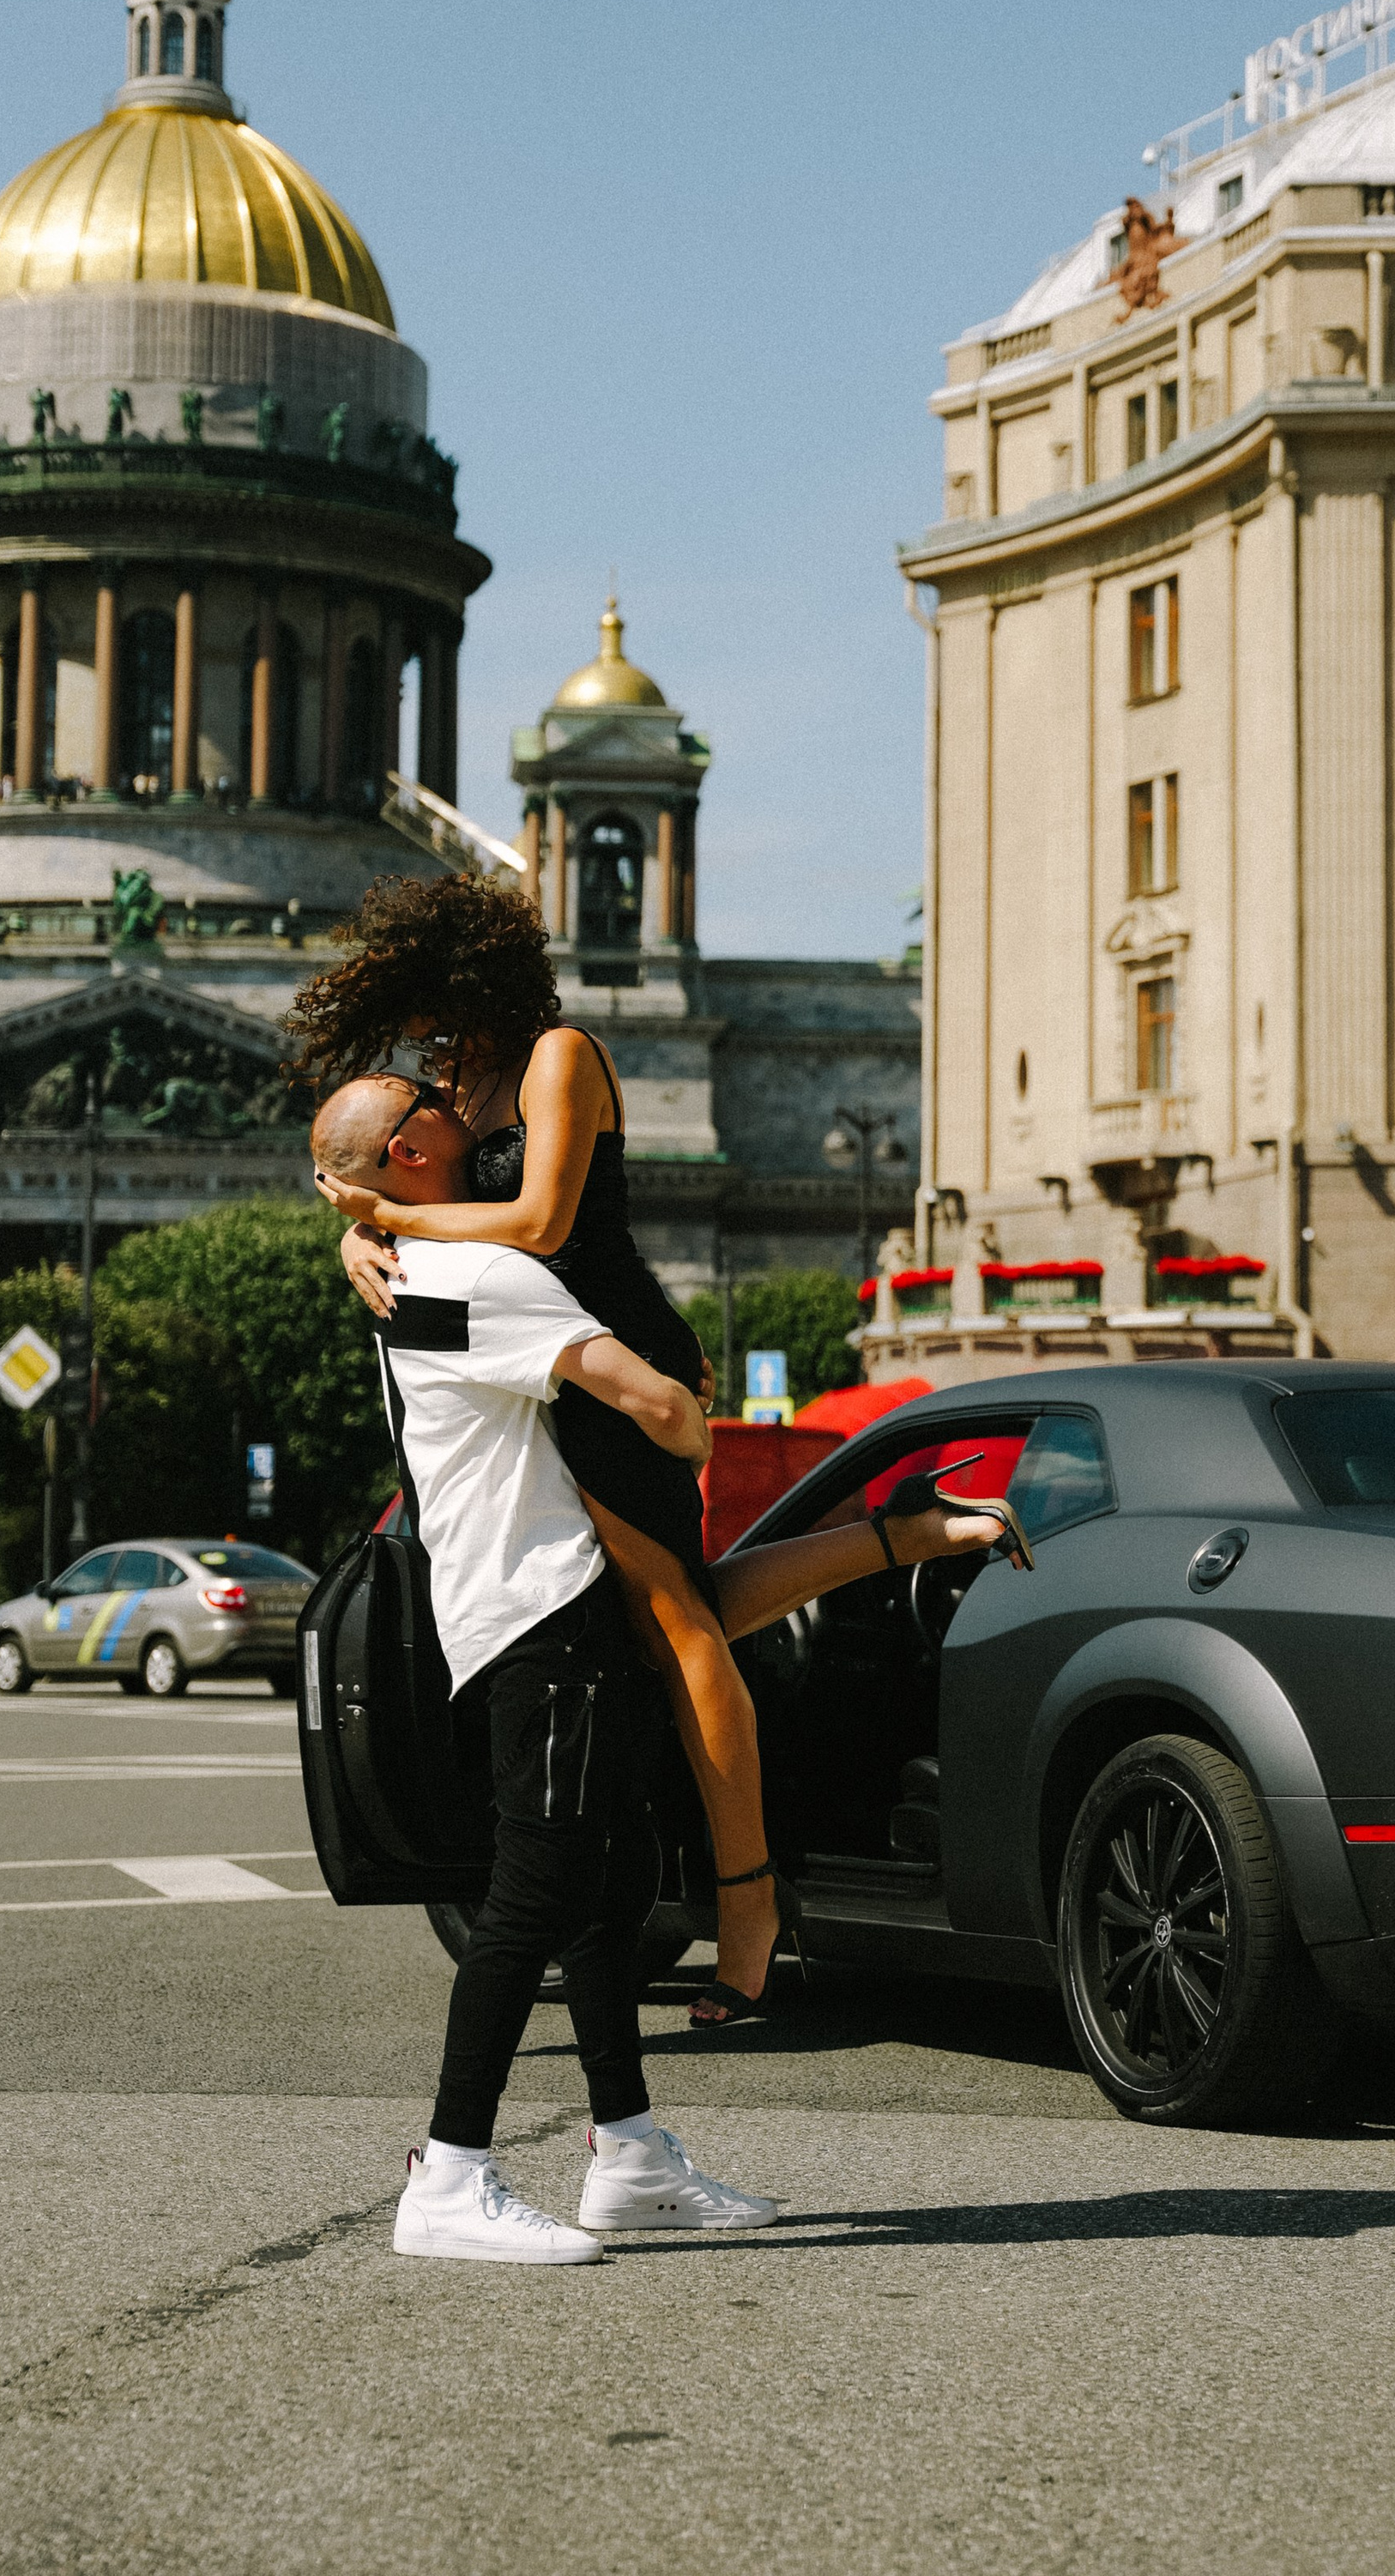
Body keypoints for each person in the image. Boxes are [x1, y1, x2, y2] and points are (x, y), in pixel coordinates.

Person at [312, 1071, 1005, 2262]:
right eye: (433, 1097)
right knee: (535, 1892)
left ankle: (628, 2154)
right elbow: (663, 1408)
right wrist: (681, 1408)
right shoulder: (482, 1275)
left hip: (526, 1608)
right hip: (542, 1616)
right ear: (414, 1146)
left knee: (606, 1888)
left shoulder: (411, 1271)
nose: (461, 1102)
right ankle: (448, 2173)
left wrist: (364, 1222)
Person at [293, 874, 791, 2023]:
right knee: (657, 1617)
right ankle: (896, 1540)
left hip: (618, 1357)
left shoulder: (560, 1057)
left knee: (672, 1624)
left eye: (426, 1004)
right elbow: (381, 1158)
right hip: (542, 1367)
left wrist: (390, 1221)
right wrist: (353, 1237)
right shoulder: (455, 1088)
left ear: (469, 980)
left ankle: (750, 1900)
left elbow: (540, 1223)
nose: (420, 1034)